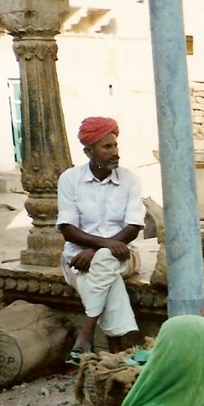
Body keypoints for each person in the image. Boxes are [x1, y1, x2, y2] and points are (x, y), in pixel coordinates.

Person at [57, 117, 144, 363]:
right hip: (77, 259)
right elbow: (67, 229)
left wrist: (95, 251)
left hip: (125, 256)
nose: (115, 152)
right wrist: (104, 246)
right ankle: (117, 353)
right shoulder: (70, 179)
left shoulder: (129, 179)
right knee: (107, 276)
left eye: (115, 145)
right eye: (107, 147)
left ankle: (85, 335)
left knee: (103, 261)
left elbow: (134, 227)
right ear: (88, 151)